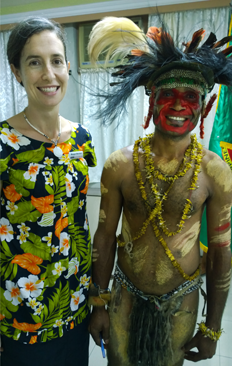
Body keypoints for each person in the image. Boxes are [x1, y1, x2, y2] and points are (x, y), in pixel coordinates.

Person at [87, 17, 232, 366]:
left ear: (204, 106)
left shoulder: (216, 172)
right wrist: (99, 302)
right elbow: (104, 238)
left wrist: (212, 327)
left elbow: (219, 252)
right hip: (124, 296)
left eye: (190, 97)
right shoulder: (120, 165)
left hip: (180, 302)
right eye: (168, 95)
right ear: (152, 103)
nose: (179, 106)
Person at [0, 17, 96, 366]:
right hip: (19, 314)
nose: (48, 74)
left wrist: (95, 298)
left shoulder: (82, 137)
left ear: (68, 67)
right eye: (34, 62)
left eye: (56, 60)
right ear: (16, 72)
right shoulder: (2, 143)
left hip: (74, 306)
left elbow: (79, 221)